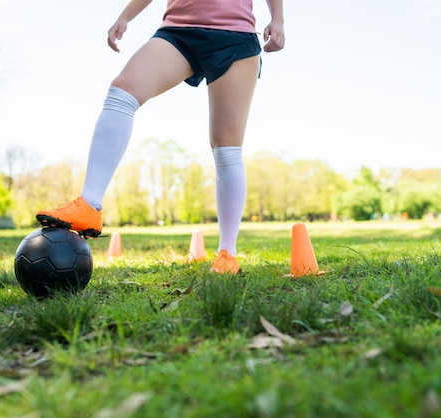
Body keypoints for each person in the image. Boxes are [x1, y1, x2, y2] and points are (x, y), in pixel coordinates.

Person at [37, 0, 285, 274]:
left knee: (226, 149)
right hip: (178, 32)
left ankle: (227, 252)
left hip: (235, 38)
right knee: (121, 93)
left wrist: (278, 19)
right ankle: (89, 205)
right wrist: (125, 17)